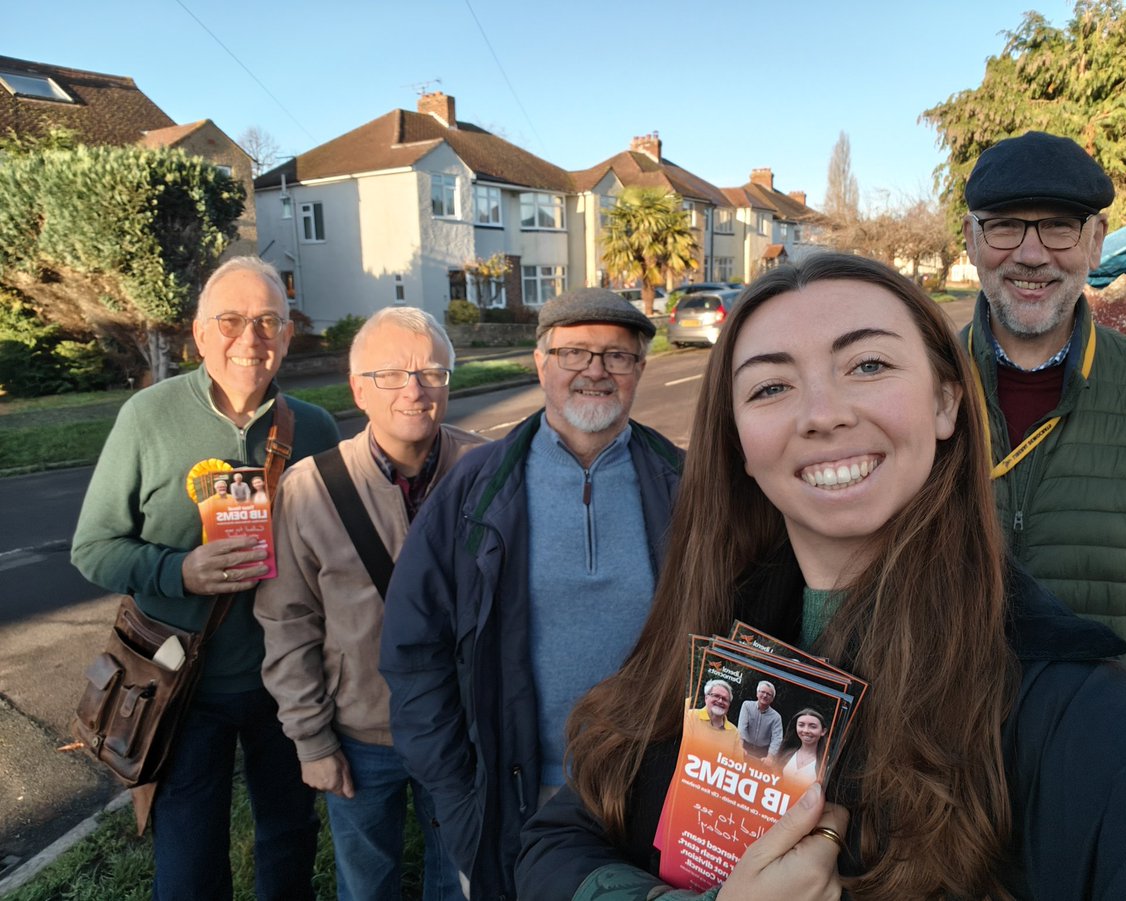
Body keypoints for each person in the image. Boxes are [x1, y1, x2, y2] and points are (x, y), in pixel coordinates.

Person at [516, 254, 1126, 901]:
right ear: (738, 441)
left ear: (946, 402)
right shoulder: (708, 653)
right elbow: (555, 843)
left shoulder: (1078, 715)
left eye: (868, 364)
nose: (823, 414)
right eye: (771, 386)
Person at [379, 287, 685, 899]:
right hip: (516, 794)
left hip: (652, 790)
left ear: (639, 370)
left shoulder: (685, 482)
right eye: (574, 353)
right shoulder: (475, 487)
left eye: (617, 356)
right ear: (540, 364)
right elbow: (414, 649)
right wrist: (457, 794)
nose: (595, 371)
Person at [72, 256, 340, 901]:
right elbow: (93, 548)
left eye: (269, 321)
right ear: (199, 333)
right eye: (231, 320)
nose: (251, 338)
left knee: (290, 839)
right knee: (189, 862)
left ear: (286, 335)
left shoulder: (315, 428)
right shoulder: (148, 416)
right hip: (180, 684)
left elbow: (338, 553)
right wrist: (180, 571)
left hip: (287, 683)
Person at [960, 131, 1126, 716]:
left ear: (1095, 242)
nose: (1031, 254)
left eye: (1059, 226)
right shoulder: (908, 389)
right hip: (937, 757)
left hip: (1108, 755)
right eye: (1005, 225)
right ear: (971, 240)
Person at [256, 307, 485, 901]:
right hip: (360, 735)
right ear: (359, 390)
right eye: (390, 375)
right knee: (365, 885)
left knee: (461, 880)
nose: (414, 390)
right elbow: (287, 622)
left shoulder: (488, 471)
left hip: (462, 728)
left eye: (431, 372)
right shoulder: (310, 489)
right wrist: (312, 742)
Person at [774, 709, 827, 783]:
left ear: (823, 731)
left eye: (813, 726)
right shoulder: (784, 753)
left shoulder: (826, 763)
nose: (806, 730)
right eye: (801, 725)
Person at [737, 680, 783, 760]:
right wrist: (739, 747)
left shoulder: (776, 717)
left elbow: (777, 739)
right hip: (745, 745)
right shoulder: (747, 705)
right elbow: (742, 728)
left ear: (772, 699)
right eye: (762, 692)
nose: (765, 695)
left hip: (762, 752)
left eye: (768, 694)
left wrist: (770, 757)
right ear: (757, 693)